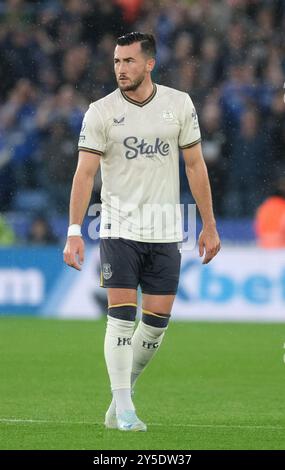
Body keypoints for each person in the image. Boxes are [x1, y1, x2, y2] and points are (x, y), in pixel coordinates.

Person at [63, 32, 220, 432]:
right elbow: (85, 173)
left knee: (155, 326)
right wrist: (74, 230)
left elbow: (195, 166)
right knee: (121, 318)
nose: (121, 69)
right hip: (117, 226)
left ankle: (121, 397)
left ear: (149, 63)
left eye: (129, 61)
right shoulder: (100, 112)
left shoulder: (178, 104)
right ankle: (126, 408)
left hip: (167, 230)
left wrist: (209, 224)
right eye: (117, 61)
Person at [254, 176, 285, 248]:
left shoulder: (265, 206)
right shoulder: (282, 207)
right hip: (281, 245)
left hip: (264, 244)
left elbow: (257, 225)